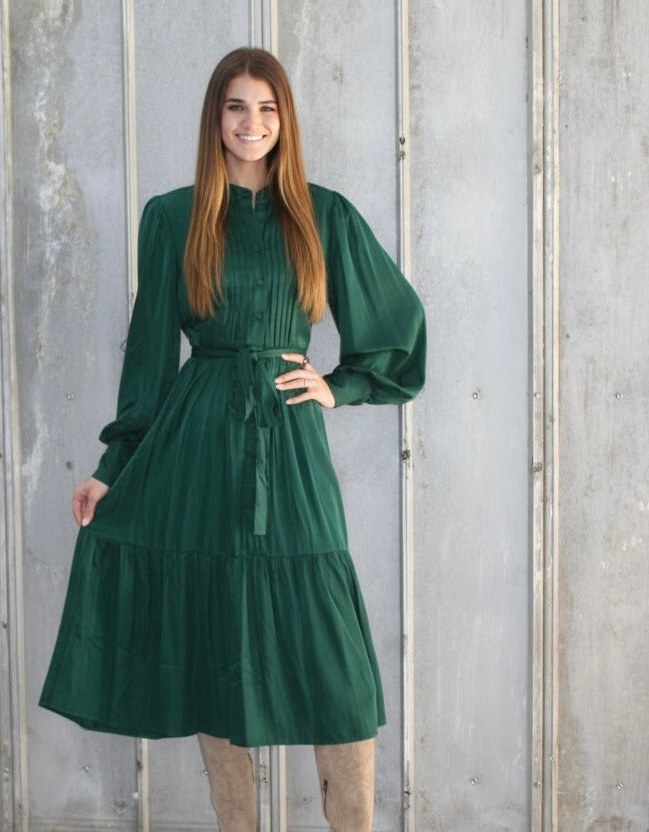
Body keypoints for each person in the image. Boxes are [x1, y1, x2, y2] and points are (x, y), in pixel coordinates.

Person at [40, 47, 426, 831]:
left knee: (333, 660)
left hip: (286, 443)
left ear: (285, 122)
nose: (252, 124)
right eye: (236, 107)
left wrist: (338, 384)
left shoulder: (325, 214)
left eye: (267, 109)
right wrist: (114, 468)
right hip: (195, 444)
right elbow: (147, 359)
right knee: (219, 636)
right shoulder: (172, 216)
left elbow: (397, 332)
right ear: (215, 118)